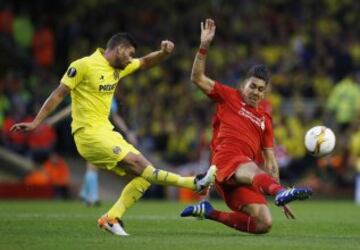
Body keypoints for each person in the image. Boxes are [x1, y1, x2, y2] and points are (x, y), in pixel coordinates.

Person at [11, 33, 216, 236]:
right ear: (118, 49)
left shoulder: (119, 68)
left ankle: (112, 218)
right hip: (88, 135)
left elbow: (144, 63)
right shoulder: (83, 65)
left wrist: (163, 53)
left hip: (107, 133)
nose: (130, 58)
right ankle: (194, 183)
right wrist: (36, 122)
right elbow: (58, 94)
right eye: (129, 53)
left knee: (144, 177)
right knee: (140, 164)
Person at [180, 19, 312, 234]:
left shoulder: (265, 120)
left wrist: (280, 194)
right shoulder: (228, 96)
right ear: (243, 84)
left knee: (263, 224)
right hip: (225, 162)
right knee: (249, 165)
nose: (255, 92)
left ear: (265, 92)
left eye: (261, 89)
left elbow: (270, 163)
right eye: (252, 86)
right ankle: (279, 192)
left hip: (244, 175)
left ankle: (208, 211)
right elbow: (196, 77)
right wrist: (204, 46)